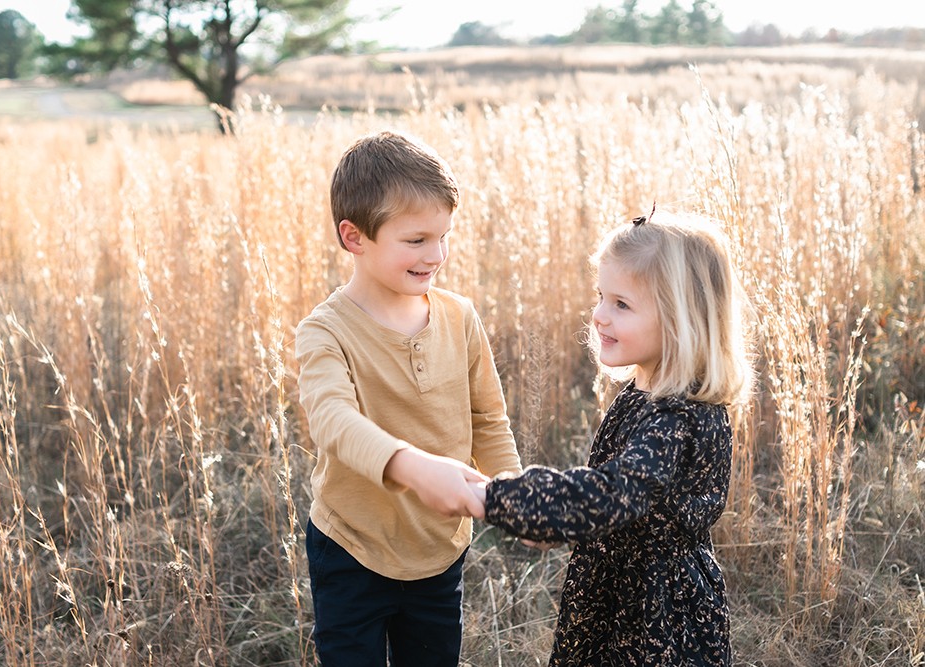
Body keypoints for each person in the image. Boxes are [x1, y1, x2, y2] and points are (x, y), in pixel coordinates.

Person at [477, 208, 754, 666]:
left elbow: (612, 493)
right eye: (600, 296)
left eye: (621, 304)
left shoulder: (677, 418)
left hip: (656, 613)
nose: (599, 315)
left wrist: (503, 499)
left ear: (680, 321)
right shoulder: (642, 390)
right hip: (619, 590)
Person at [295, 130, 522, 667]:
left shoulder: (459, 317)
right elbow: (332, 420)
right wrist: (414, 468)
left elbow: (487, 417)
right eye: (416, 240)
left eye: (444, 236)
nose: (436, 254)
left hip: (439, 548)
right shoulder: (324, 332)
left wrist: (513, 489)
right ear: (355, 237)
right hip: (353, 548)